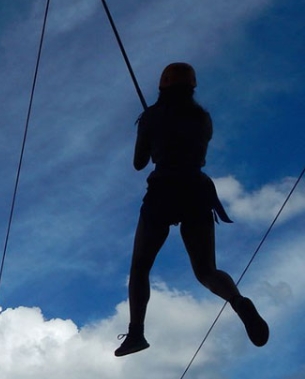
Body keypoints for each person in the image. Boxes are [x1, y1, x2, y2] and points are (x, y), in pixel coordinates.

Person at [115, 62, 269, 356]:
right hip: (196, 190)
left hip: (163, 191)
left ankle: (136, 333)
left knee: (140, 267)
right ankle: (238, 301)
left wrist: (150, 129)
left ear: (162, 85)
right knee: (206, 270)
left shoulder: (152, 117)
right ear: (192, 87)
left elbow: (139, 163)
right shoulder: (202, 119)